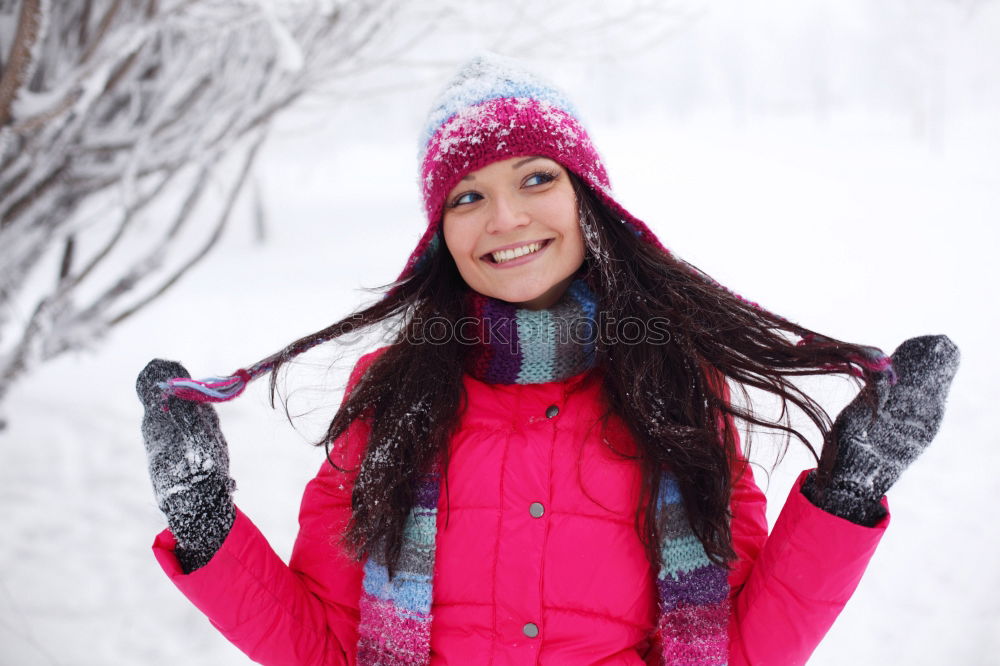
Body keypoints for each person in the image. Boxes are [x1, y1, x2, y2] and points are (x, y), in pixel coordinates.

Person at [137, 54, 959, 665]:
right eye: (468, 195)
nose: (505, 218)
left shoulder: (673, 386)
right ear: (439, 233)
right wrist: (206, 524)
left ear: (584, 198)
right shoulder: (391, 395)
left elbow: (731, 647)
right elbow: (324, 647)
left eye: (535, 178)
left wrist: (848, 493)